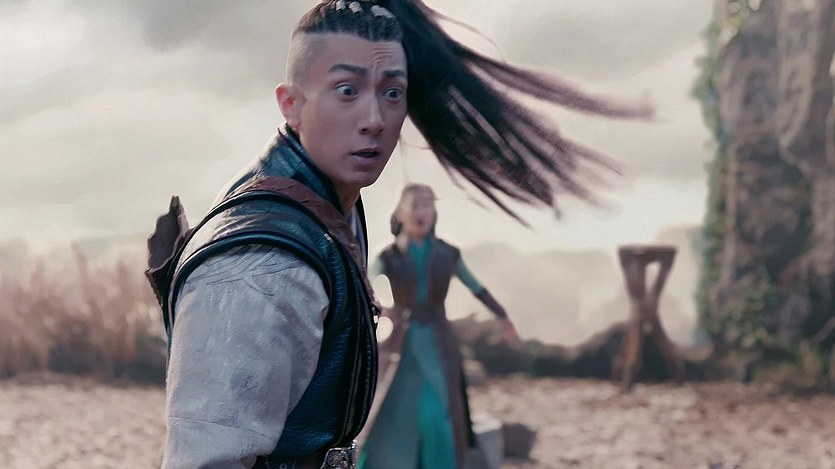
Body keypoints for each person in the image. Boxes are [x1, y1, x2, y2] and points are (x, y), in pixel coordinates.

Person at [145, 1, 649, 468]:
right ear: (291, 103)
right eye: (347, 90)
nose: (375, 120)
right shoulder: (260, 267)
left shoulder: (329, 210)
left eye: (392, 93)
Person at [358, 183, 517, 469]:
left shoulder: (448, 254)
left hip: (439, 344)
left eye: (428, 205)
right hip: (401, 345)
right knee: (395, 414)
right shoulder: (389, 256)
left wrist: (502, 316)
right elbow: (366, 283)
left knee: (438, 414)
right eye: (415, 205)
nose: (422, 212)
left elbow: (475, 286)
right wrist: (383, 308)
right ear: (401, 213)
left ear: (434, 213)